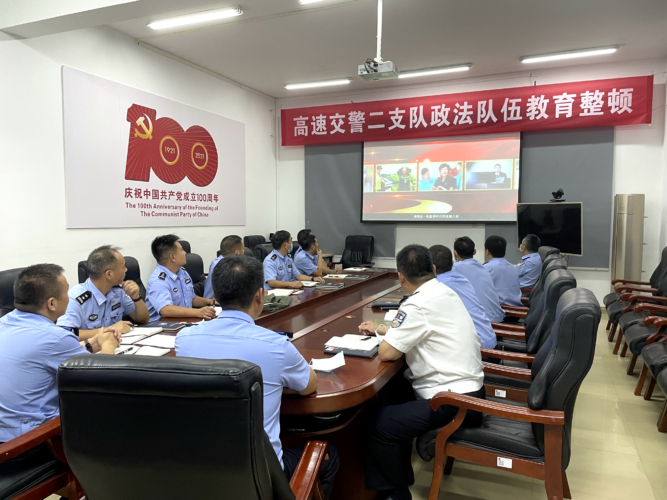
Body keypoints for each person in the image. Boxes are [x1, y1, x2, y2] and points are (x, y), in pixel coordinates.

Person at [175, 256, 339, 498]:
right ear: (260, 295)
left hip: (200, 474)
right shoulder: (276, 345)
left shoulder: (184, 339)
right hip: (261, 480)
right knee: (329, 455)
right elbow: (308, 385)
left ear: (216, 296)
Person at [357, 245, 484, 500]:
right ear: (434, 269)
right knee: (396, 396)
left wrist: (386, 335)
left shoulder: (416, 304)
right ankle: (400, 478)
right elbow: (421, 327)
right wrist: (382, 329)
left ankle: (395, 495)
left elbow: (387, 353)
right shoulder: (444, 291)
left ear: (401, 277)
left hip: (452, 401)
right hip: (472, 393)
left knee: (379, 425)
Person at [0, 264, 118, 444]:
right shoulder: (56, 337)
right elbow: (103, 380)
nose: (69, 297)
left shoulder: (4, 322)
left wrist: (89, 344)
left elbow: (42, 356)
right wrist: (108, 345)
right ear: (52, 303)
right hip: (29, 441)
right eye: (66, 292)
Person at [57, 245, 149, 339]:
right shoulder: (75, 298)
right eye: (123, 267)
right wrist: (109, 330)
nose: (126, 270)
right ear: (109, 274)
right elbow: (64, 334)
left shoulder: (118, 292)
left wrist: (136, 297)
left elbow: (143, 319)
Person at [429, 245, 497, 349]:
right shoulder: (463, 279)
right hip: (489, 338)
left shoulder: (437, 286)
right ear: (452, 263)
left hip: (475, 349)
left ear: (431, 268)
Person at [145, 234, 217, 321]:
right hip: (161, 326)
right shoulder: (158, 280)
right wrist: (198, 312)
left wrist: (211, 301)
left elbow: (191, 299)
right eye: (182, 250)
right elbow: (166, 310)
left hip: (183, 322)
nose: (185, 252)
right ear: (173, 257)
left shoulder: (182, 272)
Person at [452, 236, 505, 323]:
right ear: (474, 251)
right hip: (497, 317)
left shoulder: (454, 269)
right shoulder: (483, 267)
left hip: (483, 322)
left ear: (455, 253)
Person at [484, 235, 523, 307]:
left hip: (499, 309)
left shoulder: (486, 269)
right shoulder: (514, 268)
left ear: (487, 251)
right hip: (517, 308)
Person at [203, 235, 245, 300]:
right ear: (237, 253)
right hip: (215, 303)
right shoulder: (223, 266)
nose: (244, 251)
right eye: (243, 249)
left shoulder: (217, 261)